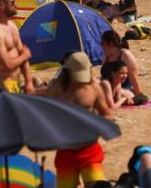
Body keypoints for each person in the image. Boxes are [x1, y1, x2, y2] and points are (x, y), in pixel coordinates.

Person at [46, 52, 112, 186]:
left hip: (89, 149)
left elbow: (106, 114)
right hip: (66, 150)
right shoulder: (56, 89)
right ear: (68, 70)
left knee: (95, 186)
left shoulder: (94, 88)